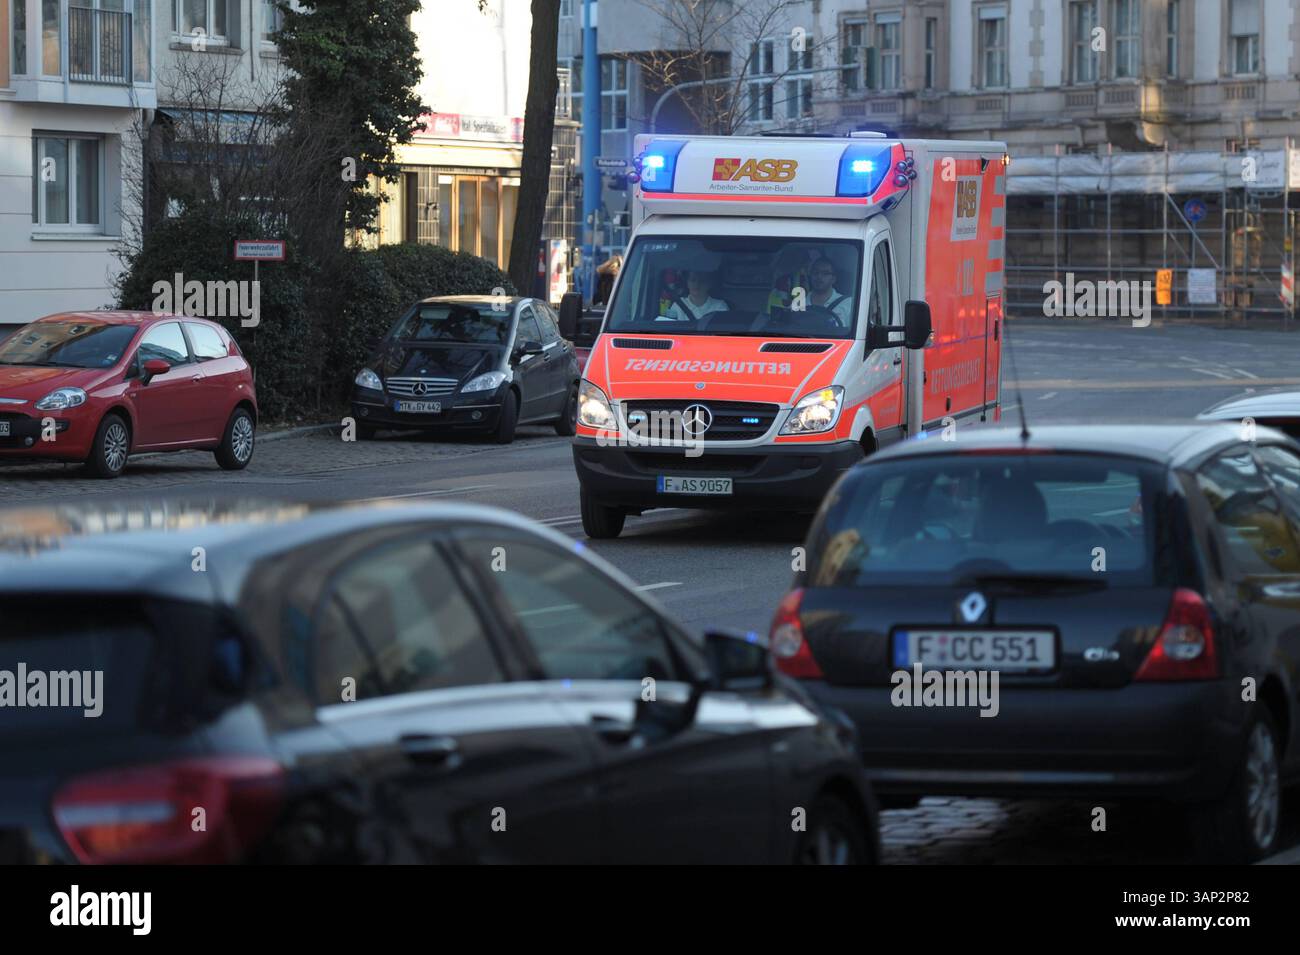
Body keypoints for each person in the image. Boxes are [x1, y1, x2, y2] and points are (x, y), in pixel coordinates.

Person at [661, 270, 729, 322]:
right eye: (693, 280)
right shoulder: (678, 304)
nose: (697, 284)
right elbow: (669, 329)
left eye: (702, 281)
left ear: (709, 284)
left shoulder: (720, 306)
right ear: (687, 283)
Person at [805, 259, 854, 327]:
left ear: (833, 279)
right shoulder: (798, 303)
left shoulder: (848, 304)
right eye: (815, 272)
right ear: (810, 276)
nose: (819, 276)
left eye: (825, 273)